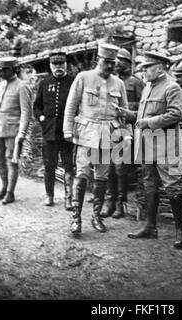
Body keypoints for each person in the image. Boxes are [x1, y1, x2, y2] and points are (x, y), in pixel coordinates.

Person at [118, 51, 182, 249]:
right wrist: (130, 115)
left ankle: (181, 231)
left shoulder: (172, 87)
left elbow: (175, 115)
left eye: (147, 67)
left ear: (160, 67)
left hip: (165, 145)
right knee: (149, 184)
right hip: (147, 145)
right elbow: (143, 115)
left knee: (172, 185)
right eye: (143, 68)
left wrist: (145, 122)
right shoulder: (148, 87)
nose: (143, 71)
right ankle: (150, 227)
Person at [63, 43, 129, 236]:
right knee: (82, 175)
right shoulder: (84, 77)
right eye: (106, 62)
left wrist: (125, 134)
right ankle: (76, 217)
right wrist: (67, 130)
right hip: (86, 133)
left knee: (101, 178)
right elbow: (71, 105)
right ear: (97, 60)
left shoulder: (119, 84)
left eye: (113, 63)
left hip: (108, 134)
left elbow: (123, 113)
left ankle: (96, 216)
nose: (110, 66)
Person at [101, 48, 144, 219]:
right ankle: (110, 202)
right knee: (109, 167)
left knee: (120, 167)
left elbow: (142, 108)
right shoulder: (112, 82)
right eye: (115, 61)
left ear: (128, 63)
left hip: (127, 129)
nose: (117, 64)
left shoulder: (136, 83)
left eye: (121, 60)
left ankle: (121, 204)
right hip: (111, 128)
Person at [33, 51, 75, 209]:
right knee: (49, 165)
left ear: (66, 65)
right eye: (55, 64)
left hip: (67, 132)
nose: (58, 67)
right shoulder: (44, 83)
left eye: (61, 64)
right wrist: (41, 118)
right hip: (49, 132)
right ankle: (49, 195)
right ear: (50, 66)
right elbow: (37, 106)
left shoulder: (73, 82)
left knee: (68, 165)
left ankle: (68, 198)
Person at [0, 57, 32, 204]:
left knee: (11, 161)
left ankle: (10, 192)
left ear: (11, 70)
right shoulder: (0, 85)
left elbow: (26, 113)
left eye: (2, 71)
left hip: (13, 131)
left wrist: (22, 134)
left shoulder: (22, 86)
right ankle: (4, 187)